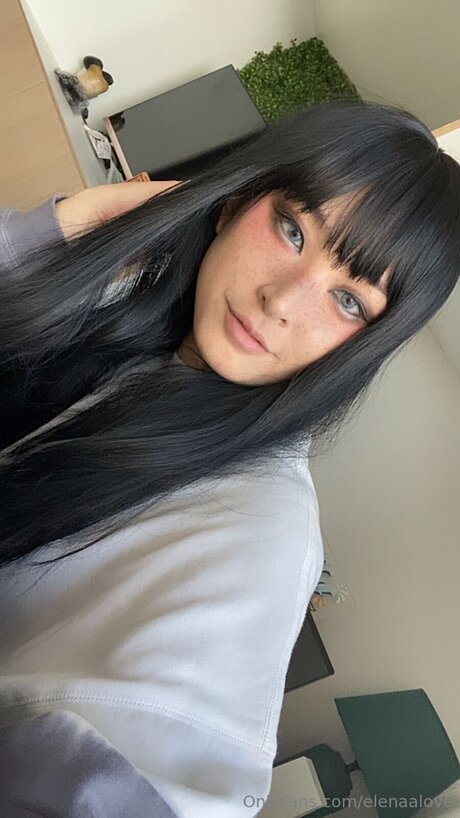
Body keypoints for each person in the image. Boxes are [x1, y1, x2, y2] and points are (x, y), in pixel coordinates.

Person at [0, 100, 458, 817]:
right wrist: (61, 231)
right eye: (291, 229)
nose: (282, 301)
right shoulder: (128, 317)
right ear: (235, 201)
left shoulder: (262, 533)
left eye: (348, 301)